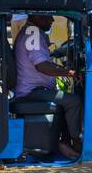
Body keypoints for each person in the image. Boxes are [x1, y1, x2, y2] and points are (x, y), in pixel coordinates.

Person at [13, 14, 81, 158]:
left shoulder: (32, 31)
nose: (52, 20)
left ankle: (64, 141)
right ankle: (76, 141)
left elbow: (44, 63)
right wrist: (69, 73)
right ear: (36, 16)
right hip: (31, 91)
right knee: (73, 101)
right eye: (48, 16)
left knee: (65, 100)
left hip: (35, 89)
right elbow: (42, 66)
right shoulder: (33, 32)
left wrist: (64, 70)